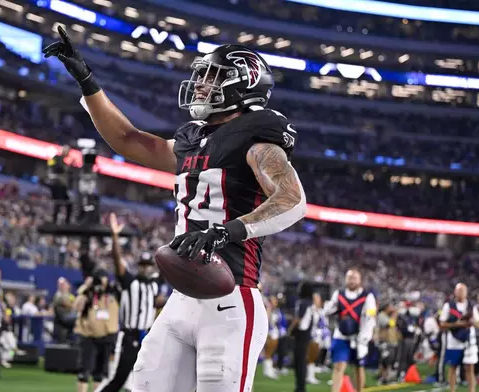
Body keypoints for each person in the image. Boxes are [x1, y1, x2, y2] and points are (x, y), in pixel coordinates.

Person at [44, 27, 306, 392]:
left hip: (230, 300)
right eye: (200, 75)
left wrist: (225, 231)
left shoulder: (257, 137)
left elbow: (292, 199)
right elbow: (128, 139)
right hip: (182, 298)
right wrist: (88, 82)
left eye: (213, 76)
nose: (200, 84)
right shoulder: (191, 139)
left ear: (244, 84)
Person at [94, 213, 159, 392]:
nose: (146, 268)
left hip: (146, 338)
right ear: (139, 266)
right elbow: (117, 261)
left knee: (143, 382)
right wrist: (115, 236)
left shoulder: (153, 286)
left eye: (148, 265)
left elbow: (158, 301)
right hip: (129, 337)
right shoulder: (130, 282)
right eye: (143, 265)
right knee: (117, 379)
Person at [324, 269, 377, 392]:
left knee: (359, 368)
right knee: (338, 366)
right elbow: (329, 310)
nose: (352, 281)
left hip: (359, 337)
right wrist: (329, 308)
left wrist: (365, 337)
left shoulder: (367, 296)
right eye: (350, 278)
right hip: (341, 335)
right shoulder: (339, 294)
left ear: (360, 280)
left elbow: (370, 317)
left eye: (355, 278)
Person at [74, 270, 119, 392]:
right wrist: (87, 287)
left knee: (100, 373)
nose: (102, 283)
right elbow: (77, 307)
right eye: (99, 279)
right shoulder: (88, 293)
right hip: (88, 336)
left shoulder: (113, 293)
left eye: (104, 279)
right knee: (84, 372)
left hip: (107, 336)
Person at [439, 283, 479, 392]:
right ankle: (452, 390)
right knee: (453, 367)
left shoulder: (472, 306)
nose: (461, 293)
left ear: (466, 293)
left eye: (463, 291)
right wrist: (458, 324)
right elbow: (442, 324)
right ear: (455, 292)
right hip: (453, 341)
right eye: (459, 291)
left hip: (468, 341)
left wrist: (472, 322)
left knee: (470, 368)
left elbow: (478, 324)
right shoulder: (448, 305)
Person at [291, 282, 315, 392]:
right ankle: (301, 387)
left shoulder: (302, 302)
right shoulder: (310, 303)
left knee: (299, 361)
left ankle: (300, 388)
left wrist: (290, 330)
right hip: (307, 334)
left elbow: (298, 319)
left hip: (300, 334)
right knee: (302, 361)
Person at [46, 144, 73, 224]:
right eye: (67, 151)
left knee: (68, 203)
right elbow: (50, 165)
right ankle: (54, 221)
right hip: (57, 184)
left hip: (62, 185)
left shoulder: (64, 162)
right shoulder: (56, 158)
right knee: (58, 202)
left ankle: (66, 221)